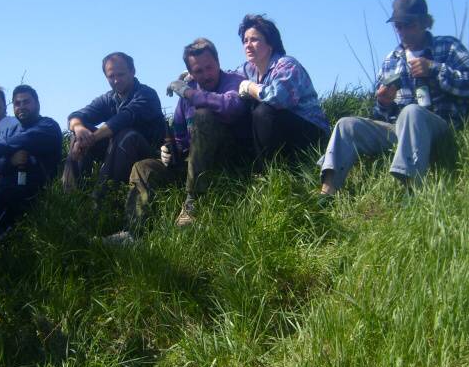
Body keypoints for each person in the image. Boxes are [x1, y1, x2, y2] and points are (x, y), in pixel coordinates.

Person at [319, 0, 469, 196]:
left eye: (409, 25)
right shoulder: (391, 59)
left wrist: (435, 69)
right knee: (346, 124)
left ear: (425, 23)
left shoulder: (448, 46)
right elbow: (380, 115)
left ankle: (411, 189)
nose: (403, 32)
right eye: (398, 26)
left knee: (411, 112)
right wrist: (383, 103)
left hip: (439, 126)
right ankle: (327, 192)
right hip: (398, 130)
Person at [118, 38, 249, 233]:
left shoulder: (234, 81)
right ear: (191, 73)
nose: (206, 75)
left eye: (209, 67)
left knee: (203, 115)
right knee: (143, 167)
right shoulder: (188, 92)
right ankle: (134, 230)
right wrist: (169, 151)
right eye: (198, 71)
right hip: (191, 163)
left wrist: (189, 94)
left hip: (225, 161)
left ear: (218, 62)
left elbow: (231, 108)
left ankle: (192, 203)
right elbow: (179, 136)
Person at [0, 85, 62, 252]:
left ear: (37, 104)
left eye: (26, 102)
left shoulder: (48, 126)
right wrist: (12, 161)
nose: (21, 107)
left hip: (34, 190)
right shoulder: (13, 131)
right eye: (17, 103)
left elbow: (26, 139)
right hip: (4, 184)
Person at [62, 52, 165, 195]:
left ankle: (102, 198)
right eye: (111, 76)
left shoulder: (147, 94)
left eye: (121, 74)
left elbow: (123, 120)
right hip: (116, 152)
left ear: (133, 72)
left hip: (150, 155)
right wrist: (79, 128)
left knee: (126, 135)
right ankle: (72, 196)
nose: (116, 80)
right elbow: (76, 115)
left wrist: (91, 139)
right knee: (78, 135)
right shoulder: (109, 98)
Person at [234, 14, 329, 167]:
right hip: (283, 131)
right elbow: (227, 78)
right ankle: (248, 169)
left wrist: (250, 87)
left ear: (270, 44)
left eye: (254, 40)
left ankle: (272, 170)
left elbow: (278, 99)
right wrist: (197, 76)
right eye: (245, 41)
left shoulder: (287, 65)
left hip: (311, 133)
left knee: (264, 111)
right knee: (240, 110)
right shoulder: (248, 69)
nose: (248, 45)